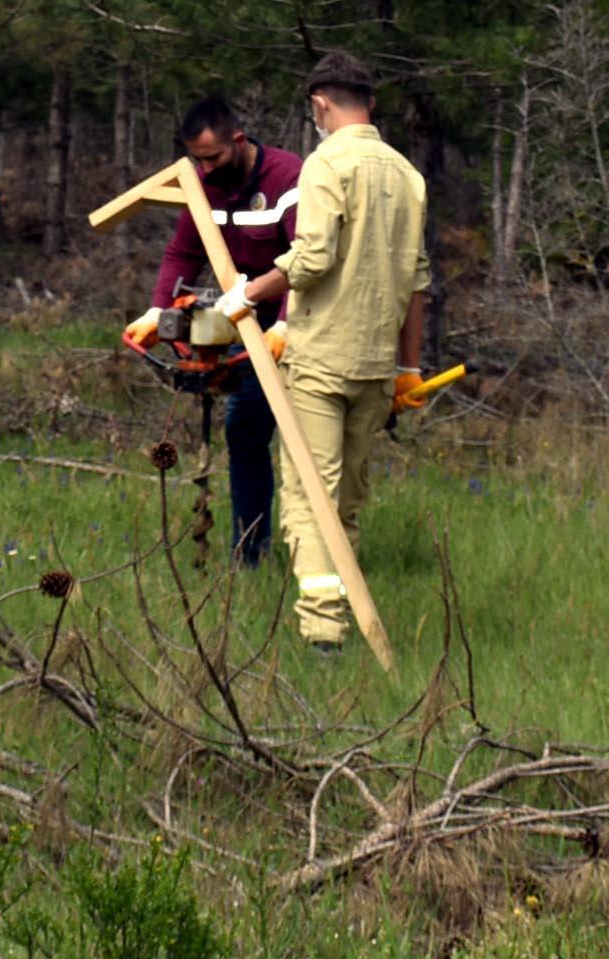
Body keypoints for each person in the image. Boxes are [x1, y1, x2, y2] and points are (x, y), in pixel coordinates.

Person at [218, 51, 430, 651]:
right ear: (371, 101)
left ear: (320, 103)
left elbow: (311, 259)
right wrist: (409, 367)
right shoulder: (407, 175)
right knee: (349, 500)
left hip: (319, 363)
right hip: (376, 367)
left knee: (311, 497)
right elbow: (418, 282)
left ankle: (323, 634)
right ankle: (343, 610)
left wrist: (245, 294)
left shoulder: (324, 164)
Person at [119, 97, 304, 564]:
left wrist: (284, 323)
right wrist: (156, 312)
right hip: (243, 321)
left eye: (214, 157)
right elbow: (183, 253)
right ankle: (251, 554)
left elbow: (306, 260)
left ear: (238, 141)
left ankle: (316, 553)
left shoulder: (289, 178)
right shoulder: (202, 187)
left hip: (298, 319)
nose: (206, 168)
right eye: (198, 160)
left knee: (310, 444)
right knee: (243, 432)